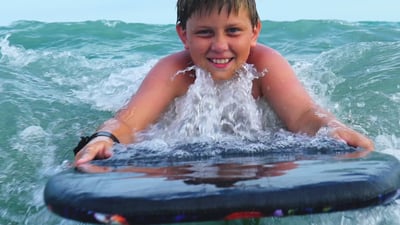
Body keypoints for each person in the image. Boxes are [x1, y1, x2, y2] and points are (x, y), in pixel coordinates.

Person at [74, 0, 374, 166]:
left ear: (254, 32)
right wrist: (104, 139)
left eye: (233, 31)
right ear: (184, 36)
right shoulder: (175, 71)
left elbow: (303, 115)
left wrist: (332, 128)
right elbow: (128, 122)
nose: (220, 45)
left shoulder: (265, 65)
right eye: (205, 33)